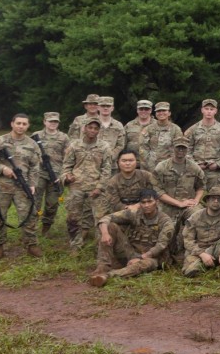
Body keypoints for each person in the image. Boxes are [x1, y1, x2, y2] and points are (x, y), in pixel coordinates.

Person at [0, 113, 43, 259]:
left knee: (29, 215)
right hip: (2, 186)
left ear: (28, 126)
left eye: (24, 124)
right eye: (18, 123)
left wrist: (33, 184)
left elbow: (35, 166)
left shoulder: (32, 144)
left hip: (23, 186)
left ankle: (31, 245)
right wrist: (3, 168)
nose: (21, 126)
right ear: (12, 124)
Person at [88, 188, 174, 287]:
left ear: (157, 202)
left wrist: (140, 258)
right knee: (110, 226)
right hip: (131, 252)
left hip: (152, 257)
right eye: (143, 202)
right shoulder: (134, 214)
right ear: (140, 204)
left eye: (150, 201)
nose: (146, 205)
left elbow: (161, 245)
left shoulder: (165, 221)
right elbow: (106, 218)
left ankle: (107, 276)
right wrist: (105, 233)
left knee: (142, 265)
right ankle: (102, 268)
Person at [61, 117, 114, 250]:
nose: (93, 130)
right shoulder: (74, 145)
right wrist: (67, 176)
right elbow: (66, 166)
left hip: (96, 187)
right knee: (73, 218)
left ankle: (101, 247)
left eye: (96, 128)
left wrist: (100, 187)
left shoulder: (104, 147)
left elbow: (107, 169)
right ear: (84, 128)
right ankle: (75, 245)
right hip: (76, 186)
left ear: (99, 131)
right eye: (90, 127)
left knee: (101, 218)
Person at [153, 136, 205, 264]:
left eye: (183, 148)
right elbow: (157, 191)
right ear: (172, 148)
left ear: (187, 149)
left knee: (199, 215)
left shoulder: (194, 168)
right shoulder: (162, 167)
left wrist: (196, 200)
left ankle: (197, 251)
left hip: (187, 204)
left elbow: (201, 187)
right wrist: (178, 203)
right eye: (178, 148)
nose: (181, 151)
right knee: (166, 230)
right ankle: (166, 253)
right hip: (167, 204)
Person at [32, 112, 69, 236]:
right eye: (50, 121)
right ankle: (31, 227)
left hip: (56, 175)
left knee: (52, 203)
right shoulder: (36, 136)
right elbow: (29, 153)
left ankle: (46, 227)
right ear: (44, 122)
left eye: (55, 121)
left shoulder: (64, 137)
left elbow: (68, 156)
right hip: (39, 173)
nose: (53, 123)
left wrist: (64, 173)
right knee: (35, 200)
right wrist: (39, 159)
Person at [184, 99, 220, 191]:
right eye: (206, 109)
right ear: (202, 110)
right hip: (195, 171)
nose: (209, 111)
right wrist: (194, 165)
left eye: (211, 109)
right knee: (193, 196)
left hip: (214, 172)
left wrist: (218, 164)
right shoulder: (192, 130)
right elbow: (186, 149)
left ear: (216, 111)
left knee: (214, 196)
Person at [138, 102, 183, 170]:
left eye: (164, 110)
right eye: (158, 111)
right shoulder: (148, 129)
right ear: (156, 114)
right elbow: (143, 148)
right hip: (150, 167)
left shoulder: (176, 129)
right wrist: (149, 164)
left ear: (169, 113)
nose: (161, 113)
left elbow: (179, 148)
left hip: (169, 167)